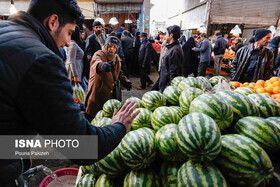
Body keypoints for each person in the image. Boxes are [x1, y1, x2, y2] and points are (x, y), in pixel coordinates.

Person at [0, 0, 139, 186]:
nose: (67, 42)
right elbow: (81, 146)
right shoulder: (42, 60)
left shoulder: (4, 29)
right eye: (69, 33)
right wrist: (119, 126)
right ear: (53, 22)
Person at [85, 36, 131, 119]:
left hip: (111, 93)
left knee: (106, 117)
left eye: (114, 47)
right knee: (94, 115)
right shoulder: (99, 53)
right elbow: (96, 62)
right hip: (98, 92)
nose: (111, 49)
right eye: (109, 46)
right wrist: (101, 65)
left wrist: (125, 81)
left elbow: (119, 71)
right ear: (105, 46)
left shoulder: (116, 58)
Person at [159, 25, 183, 92]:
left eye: (166, 34)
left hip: (168, 88)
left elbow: (174, 72)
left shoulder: (174, 50)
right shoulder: (172, 48)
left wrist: (170, 88)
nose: (165, 36)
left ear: (171, 35)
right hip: (165, 84)